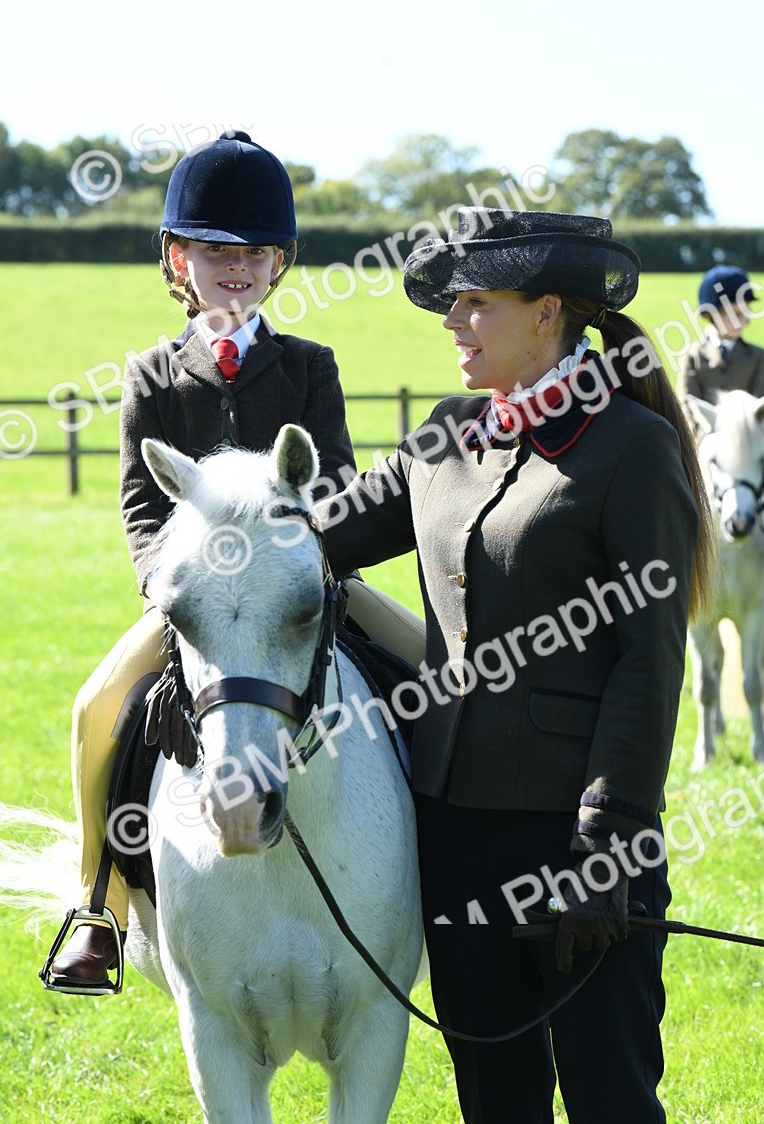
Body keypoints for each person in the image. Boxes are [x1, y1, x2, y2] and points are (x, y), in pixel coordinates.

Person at [315, 209, 715, 1124]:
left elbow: (648, 665)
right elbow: (319, 536)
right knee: (495, 1099)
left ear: (547, 313)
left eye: (475, 303)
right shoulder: (444, 436)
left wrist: (608, 841)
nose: (453, 321)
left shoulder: (632, 448)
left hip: (580, 842)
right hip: (453, 833)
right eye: (451, 305)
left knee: (611, 1096)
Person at [49, 130, 361, 987]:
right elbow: (143, 507)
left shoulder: (310, 367)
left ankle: (444, 878)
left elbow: (337, 481)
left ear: (279, 264)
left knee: (435, 668)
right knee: (96, 706)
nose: (235, 265)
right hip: (196, 605)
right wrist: (168, 587)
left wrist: (318, 568)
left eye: (254, 251)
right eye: (213, 249)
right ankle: (98, 906)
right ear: (176, 259)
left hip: (303, 591)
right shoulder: (152, 374)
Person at [677, 263, 764, 434]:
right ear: (710, 314)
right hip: (705, 441)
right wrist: (698, 437)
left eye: (744, 312)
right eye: (733, 314)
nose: (740, 321)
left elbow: (763, 405)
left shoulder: (757, 356)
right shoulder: (693, 356)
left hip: (747, 439)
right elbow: (686, 404)